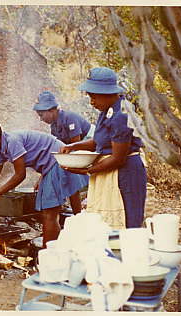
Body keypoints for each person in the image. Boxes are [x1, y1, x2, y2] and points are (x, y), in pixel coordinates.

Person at [0, 117, 88, 246]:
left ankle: (50, 254)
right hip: (53, 162)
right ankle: (81, 234)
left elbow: (20, 175)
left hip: (59, 159)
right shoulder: (0, 150)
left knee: (49, 213)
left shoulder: (13, 142)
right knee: (69, 196)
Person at [59, 67, 147, 229]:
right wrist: (73, 146)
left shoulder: (121, 115)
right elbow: (99, 141)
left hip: (125, 173)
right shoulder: (107, 110)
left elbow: (118, 158)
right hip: (109, 170)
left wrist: (88, 170)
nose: (92, 102)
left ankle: (126, 252)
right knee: (106, 222)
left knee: (127, 218)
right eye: (90, 97)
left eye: (94, 96)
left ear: (107, 93)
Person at [33, 91, 92, 212]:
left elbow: (76, 144)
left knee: (73, 177)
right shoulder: (53, 127)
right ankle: (76, 213)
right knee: (68, 177)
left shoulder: (69, 118)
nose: (41, 119)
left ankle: (83, 211)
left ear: (51, 110)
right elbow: (58, 149)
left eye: (41, 115)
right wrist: (42, 177)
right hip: (73, 150)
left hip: (89, 145)